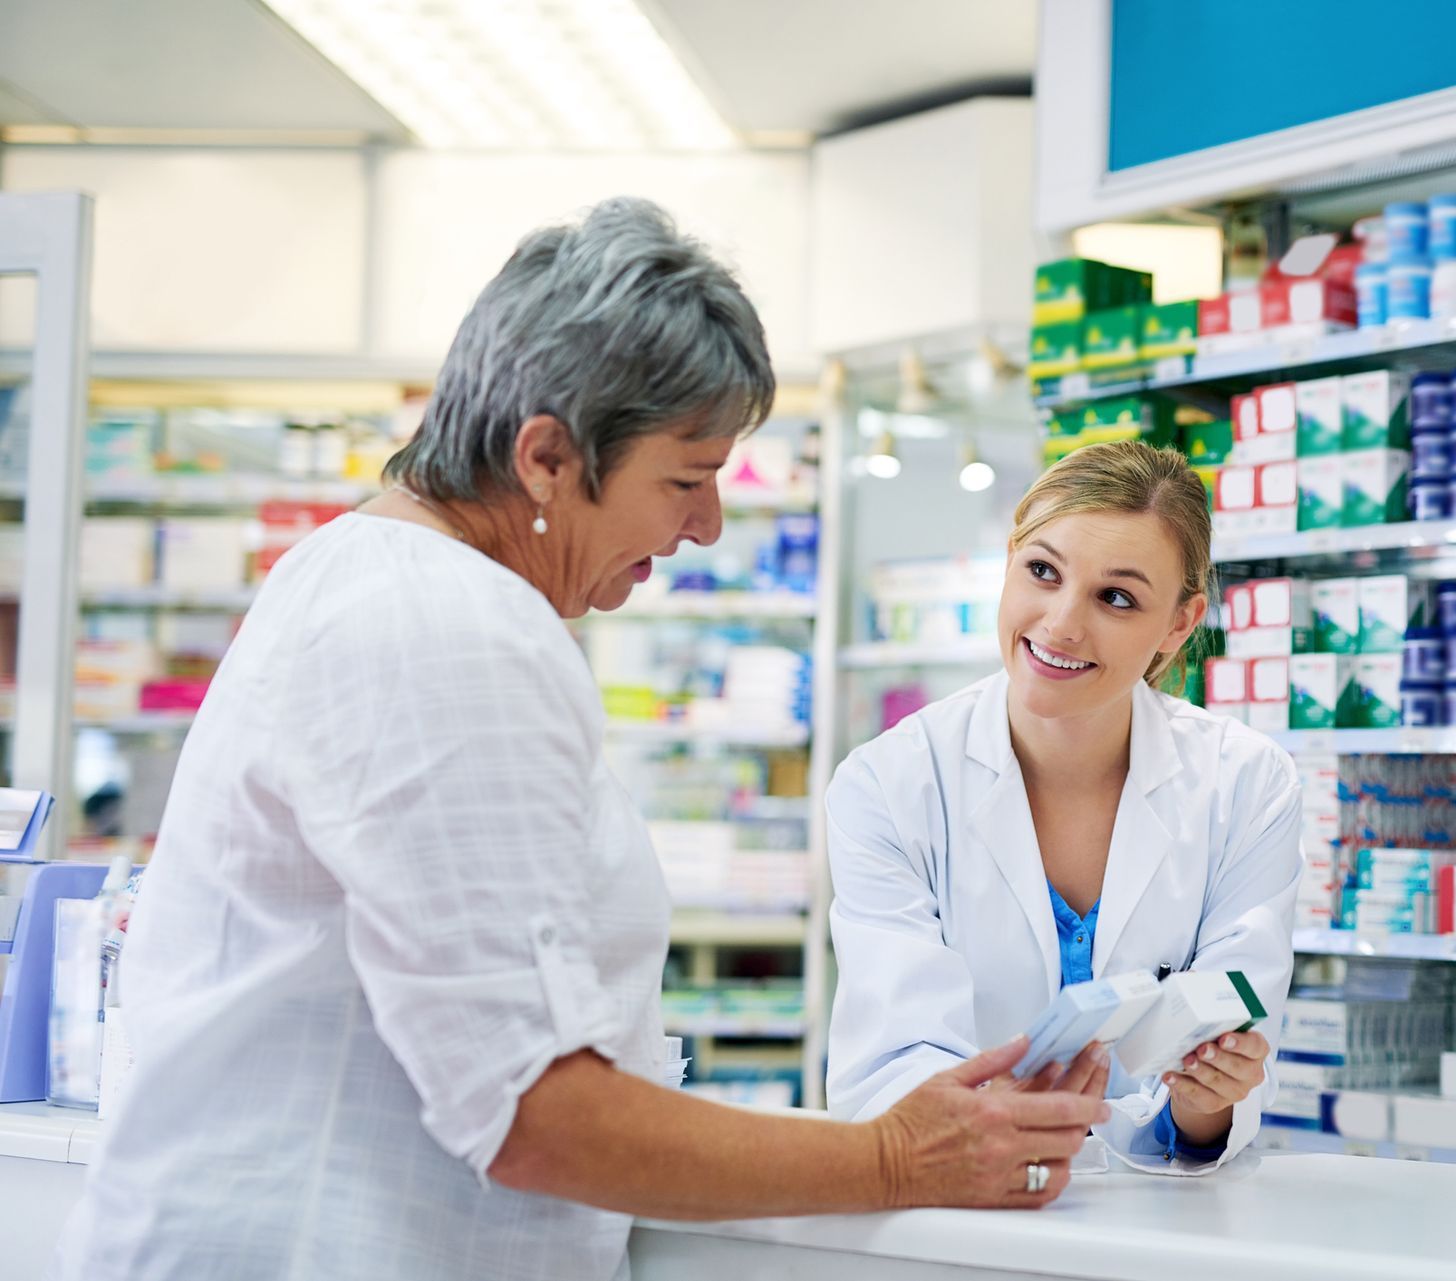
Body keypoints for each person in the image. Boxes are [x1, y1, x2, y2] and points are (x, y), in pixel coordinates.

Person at [48, 198, 1107, 1281]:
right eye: (686, 481)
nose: (705, 528)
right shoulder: (443, 628)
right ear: (548, 457)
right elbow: (532, 1113)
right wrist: (892, 1158)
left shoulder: (379, 579)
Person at [825, 442, 1303, 1173]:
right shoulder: (889, 785)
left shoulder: (1245, 784)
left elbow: (1218, 1082)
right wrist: (1001, 1123)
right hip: (953, 1209)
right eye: (1042, 572)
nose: (1060, 624)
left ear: (1178, 624)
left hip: (1160, 1224)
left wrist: (1206, 1097)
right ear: (1010, 558)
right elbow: (892, 1059)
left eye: (1117, 598)